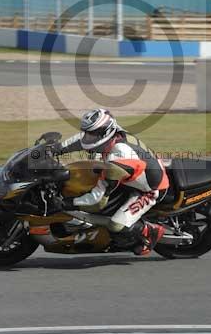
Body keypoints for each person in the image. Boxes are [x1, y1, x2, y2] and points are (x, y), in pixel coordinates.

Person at [51, 108, 169, 256]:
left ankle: (149, 232)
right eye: (88, 132)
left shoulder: (118, 156)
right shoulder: (112, 133)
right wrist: (57, 148)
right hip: (133, 175)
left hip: (150, 189)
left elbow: (98, 200)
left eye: (93, 134)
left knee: (115, 225)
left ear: (105, 133)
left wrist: (67, 203)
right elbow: (82, 139)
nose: (88, 137)